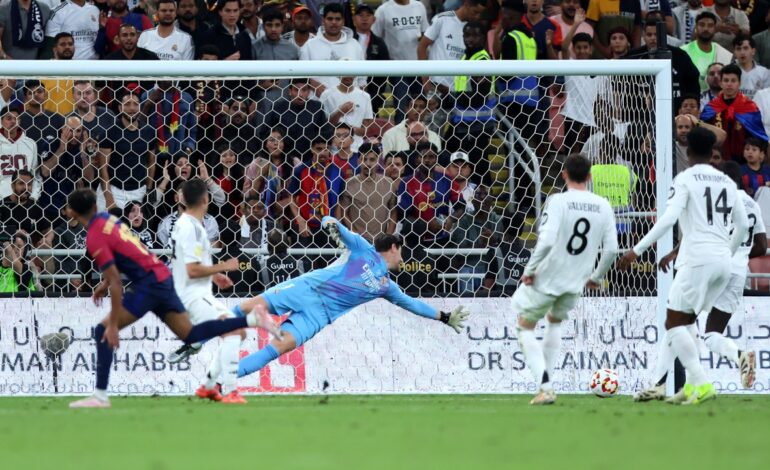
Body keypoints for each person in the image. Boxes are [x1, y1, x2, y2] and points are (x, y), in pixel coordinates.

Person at [65, 188, 275, 408]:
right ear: (95, 207)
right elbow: (131, 249)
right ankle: (252, 320)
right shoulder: (109, 219)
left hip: (147, 285)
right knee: (190, 335)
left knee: (102, 330)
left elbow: (117, 282)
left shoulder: (94, 237)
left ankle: (99, 396)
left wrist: (113, 324)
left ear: (71, 212)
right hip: (163, 277)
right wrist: (104, 283)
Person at [234, 216, 471, 378]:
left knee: (277, 348)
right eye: (402, 252)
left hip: (319, 315)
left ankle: (221, 380)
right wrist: (332, 226)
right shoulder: (362, 248)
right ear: (395, 247)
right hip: (307, 289)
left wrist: (444, 316)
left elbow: (412, 304)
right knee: (246, 309)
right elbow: (331, 221)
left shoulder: (386, 286)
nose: (403, 259)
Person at [618, 126, 750, 405]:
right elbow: (742, 225)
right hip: (723, 262)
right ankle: (676, 386)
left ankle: (701, 383)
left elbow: (668, 219)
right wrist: (727, 251)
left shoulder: (686, 179)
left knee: (674, 322)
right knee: (686, 322)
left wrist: (637, 250)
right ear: (712, 151)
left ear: (688, 151)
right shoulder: (726, 181)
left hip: (697, 260)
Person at [635, 160, 765, 401]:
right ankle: (734, 357)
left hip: (705, 263)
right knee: (709, 332)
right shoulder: (751, 204)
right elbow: (761, 244)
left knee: (677, 321)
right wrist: (738, 255)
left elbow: (702, 230)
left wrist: (676, 252)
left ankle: (661, 382)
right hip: (734, 272)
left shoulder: (713, 194)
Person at [512, 154, 617, 405]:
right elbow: (612, 249)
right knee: (554, 322)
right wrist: (596, 276)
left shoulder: (558, 200)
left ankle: (546, 387)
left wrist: (530, 269)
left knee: (524, 326)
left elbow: (547, 241)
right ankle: (547, 385)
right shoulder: (603, 204)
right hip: (577, 279)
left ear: (564, 174)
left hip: (550, 275)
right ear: (590, 177)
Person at [169, 179, 281, 404]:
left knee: (237, 333)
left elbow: (189, 264)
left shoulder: (193, 225)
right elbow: (191, 270)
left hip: (199, 293)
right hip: (191, 296)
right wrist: (223, 266)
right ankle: (230, 391)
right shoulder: (189, 227)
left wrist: (214, 275)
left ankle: (208, 387)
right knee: (232, 332)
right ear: (205, 199)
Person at [701, 63, 769, 163]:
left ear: (739, 83)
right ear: (721, 83)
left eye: (733, 81)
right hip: (716, 162)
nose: (729, 84)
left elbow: (759, 137)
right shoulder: (711, 107)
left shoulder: (750, 107)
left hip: (744, 163)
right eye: (726, 80)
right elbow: (702, 135)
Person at [418, 0, 486, 94]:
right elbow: (422, 47)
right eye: (475, 12)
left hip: (459, 90)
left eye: (480, 14)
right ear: (466, 4)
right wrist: (425, 80)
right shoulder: (442, 19)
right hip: (437, 86)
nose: (477, 16)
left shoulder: (474, 29)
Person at [300, 3, 364, 97]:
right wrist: (312, 83)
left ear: (343, 21)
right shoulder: (309, 46)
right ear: (323, 21)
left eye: (338, 19)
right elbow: (301, 75)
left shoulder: (354, 45)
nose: (334, 22)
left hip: (349, 103)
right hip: (318, 104)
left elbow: (362, 79)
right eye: (330, 19)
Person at [338, 142, 396, 242]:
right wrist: (356, 235)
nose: (368, 164)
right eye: (364, 159)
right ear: (358, 161)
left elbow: (393, 212)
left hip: (380, 242)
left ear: (378, 161)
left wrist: (387, 238)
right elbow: (344, 213)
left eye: (372, 160)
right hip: (357, 241)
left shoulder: (388, 183)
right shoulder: (349, 184)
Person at [681, 12, 733, 91]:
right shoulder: (683, 51)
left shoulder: (724, 54)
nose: (706, 29)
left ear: (715, 29)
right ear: (696, 28)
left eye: (710, 26)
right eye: (702, 25)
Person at [0, 105, 40, 201]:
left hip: (25, 199)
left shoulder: (30, 144)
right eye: (9, 118)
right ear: (1, 121)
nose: (13, 121)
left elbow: (36, 176)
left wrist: (33, 197)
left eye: (16, 118)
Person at [732, 34, 770, 99]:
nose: (742, 52)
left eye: (745, 48)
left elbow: (766, 97)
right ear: (734, 52)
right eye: (738, 49)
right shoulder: (728, 71)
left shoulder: (765, 73)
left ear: (753, 51)